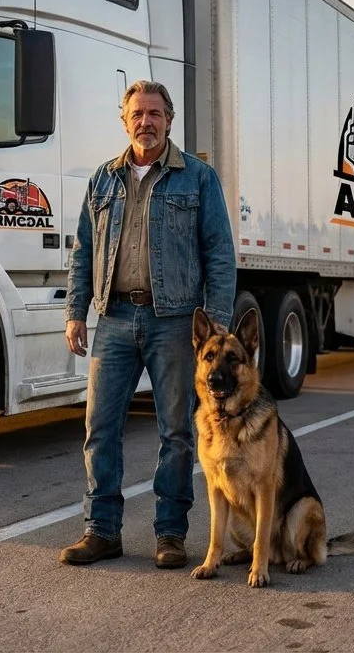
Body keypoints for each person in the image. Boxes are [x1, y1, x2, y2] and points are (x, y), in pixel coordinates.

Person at [60, 79, 236, 568]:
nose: (146, 122)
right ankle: (102, 531)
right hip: (113, 317)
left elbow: (219, 253)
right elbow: (85, 250)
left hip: (174, 321)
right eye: (137, 114)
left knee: (176, 431)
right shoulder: (102, 179)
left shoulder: (197, 178)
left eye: (155, 113)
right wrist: (76, 310)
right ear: (125, 120)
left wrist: (217, 326)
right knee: (100, 427)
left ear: (169, 120)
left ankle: (171, 535)